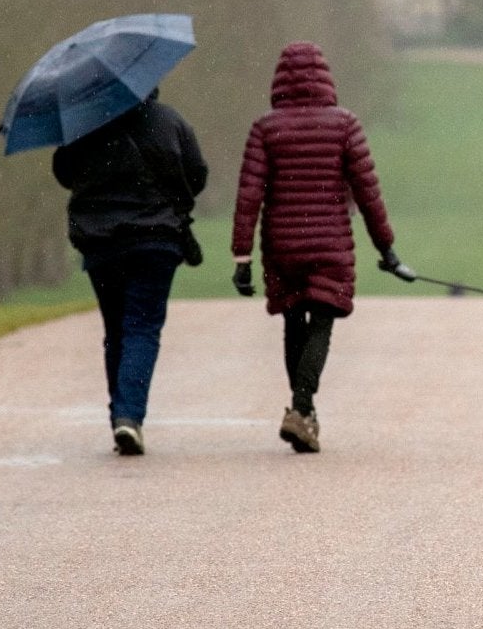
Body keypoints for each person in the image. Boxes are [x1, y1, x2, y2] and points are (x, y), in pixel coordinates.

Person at [232, 42, 412, 453]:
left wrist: (241, 258)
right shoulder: (344, 125)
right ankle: (301, 408)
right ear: (326, 78)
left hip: (282, 243)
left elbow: (249, 196)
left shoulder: (265, 128)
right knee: (323, 322)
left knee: (294, 321)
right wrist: (387, 250)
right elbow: (368, 192)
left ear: (279, 80)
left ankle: (304, 413)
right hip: (330, 239)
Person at [50, 86, 207, 456]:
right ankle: (128, 415)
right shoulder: (170, 121)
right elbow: (197, 174)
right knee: (142, 326)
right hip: (156, 240)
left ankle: (121, 416)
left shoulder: (83, 123)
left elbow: (64, 173)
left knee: (116, 329)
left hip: (101, 242)